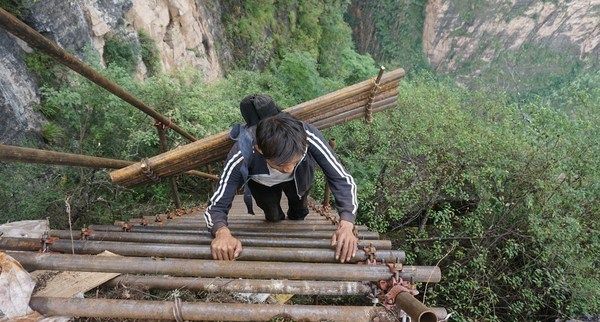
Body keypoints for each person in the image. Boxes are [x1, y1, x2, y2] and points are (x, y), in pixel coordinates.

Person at [204, 95, 358, 263]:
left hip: (299, 179)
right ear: (259, 149)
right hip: (262, 183)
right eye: (281, 164)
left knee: (299, 212)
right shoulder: (243, 152)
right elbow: (216, 204)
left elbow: (342, 178)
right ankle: (275, 213)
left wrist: (347, 223)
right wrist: (222, 232)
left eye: (294, 161)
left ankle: (297, 211)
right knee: (273, 216)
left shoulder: (307, 135)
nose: (288, 169)